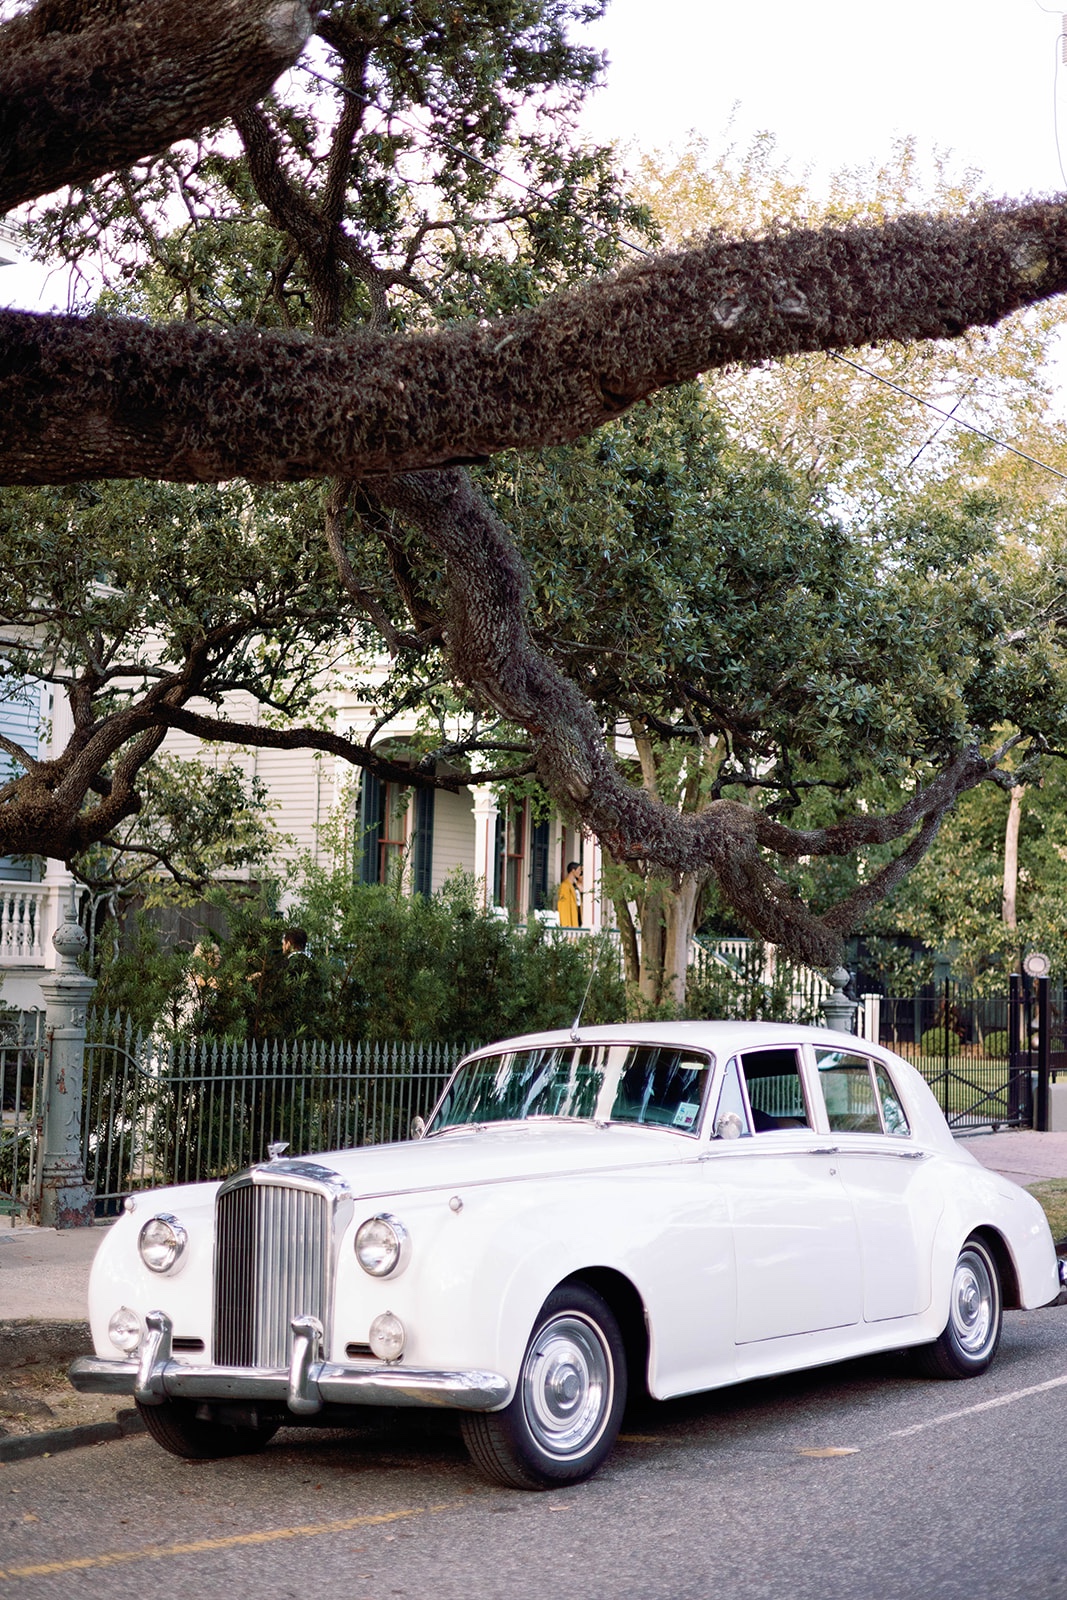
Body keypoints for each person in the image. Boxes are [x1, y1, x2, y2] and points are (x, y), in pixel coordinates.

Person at [557, 861, 583, 928]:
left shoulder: (575, 886)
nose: (580, 872)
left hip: (577, 915)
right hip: (570, 920)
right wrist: (566, 924)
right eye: (579, 870)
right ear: (573, 870)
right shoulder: (565, 886)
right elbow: (563, 906)